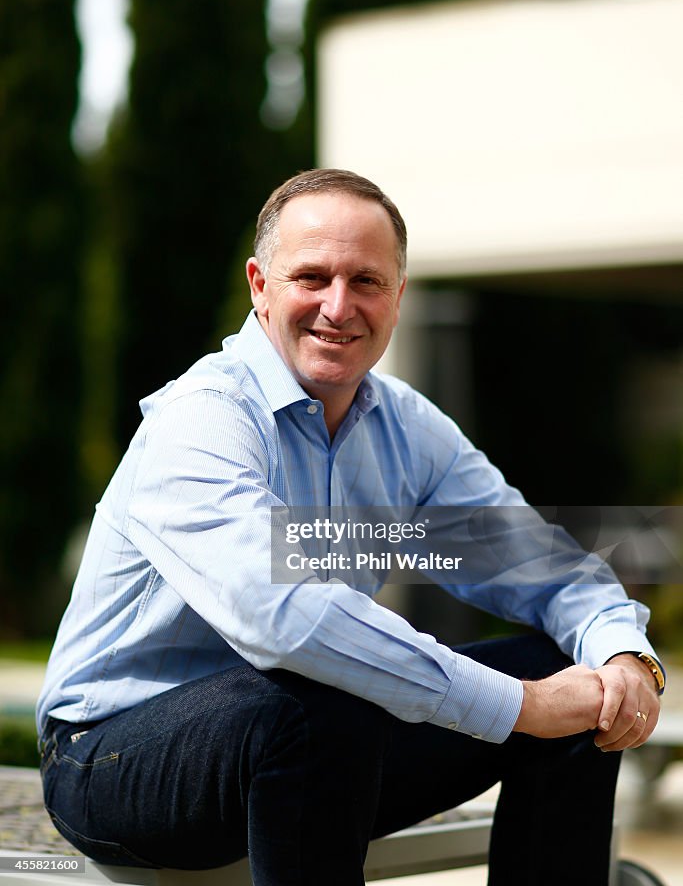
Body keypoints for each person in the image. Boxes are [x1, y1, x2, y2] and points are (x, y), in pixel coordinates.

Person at [37, 168, 665, 886]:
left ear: (397, 297)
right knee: (319, 693)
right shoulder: (202, 418)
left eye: (365, 281)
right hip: (111, 760)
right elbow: (284, 619)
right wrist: (520, 706)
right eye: (311, 277)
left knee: (575, 681)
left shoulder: (408, 428)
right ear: (259, 285)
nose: (338, 306)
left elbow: (544, 569)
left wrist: (622, 660)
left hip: (315, 743)